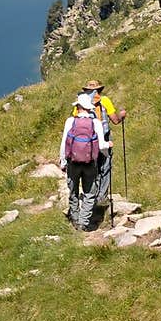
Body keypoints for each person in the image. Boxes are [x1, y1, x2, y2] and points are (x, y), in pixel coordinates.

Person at [59, 92, 109, 231]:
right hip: (90, 164)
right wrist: (107, 149)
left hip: (73, 162)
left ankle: (75, 219)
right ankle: (83, 222)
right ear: (89, 108)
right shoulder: (95, 123)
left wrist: (63, 161)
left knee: (73, 191)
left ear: (78, 106)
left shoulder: (70, 121)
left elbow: (64, 143)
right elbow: (102, 146)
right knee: (89, 193)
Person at [83, 79, 127, 210]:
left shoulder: (81, 104)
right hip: (105, 139)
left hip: (89, 141)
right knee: (105, 166)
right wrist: (122, 116)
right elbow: (115, 120)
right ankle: (102, 196)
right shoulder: (105, 100)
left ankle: (91, 196)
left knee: (92, 168)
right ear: (99, 90)